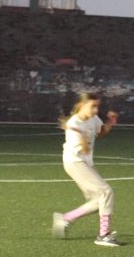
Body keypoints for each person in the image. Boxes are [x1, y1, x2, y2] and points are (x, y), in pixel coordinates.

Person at [52, 93, 121, 247]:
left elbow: (100, 132)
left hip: (85, 162)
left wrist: (110, 122)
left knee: (99, 201)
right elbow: (83, 150)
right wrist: (81, 137)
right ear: (81, 105)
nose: (96, 110)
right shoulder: (74, 124)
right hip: (75, 162)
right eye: (93, 106)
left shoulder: (92, 118)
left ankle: (66, 219)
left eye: (98, 106)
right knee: (106, 192)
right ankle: (103, 235)